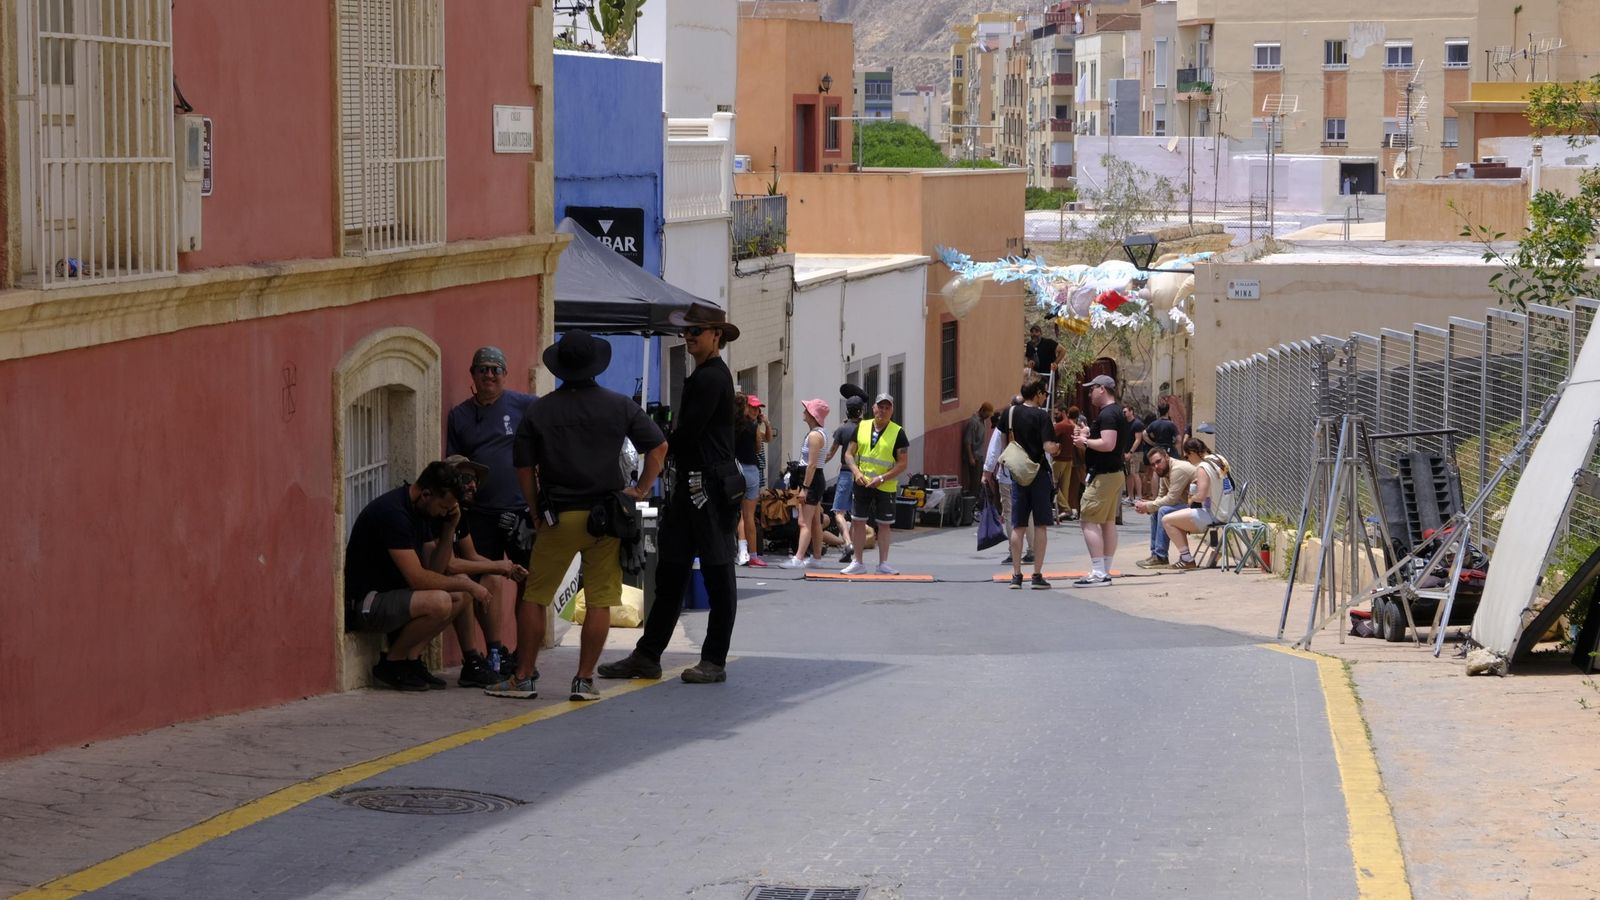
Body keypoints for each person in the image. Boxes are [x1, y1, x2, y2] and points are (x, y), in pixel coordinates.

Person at [486, 330, 667, 701]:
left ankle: (523, 677)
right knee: (600, 600)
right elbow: (659, 446)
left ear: (561, 367)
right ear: (595, 366)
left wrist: (535, 509)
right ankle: (584, 680)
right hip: (607, 516)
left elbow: (524, 467)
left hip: (559, 516)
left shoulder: (541, 409)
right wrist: (640, 490)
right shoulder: (619, 406)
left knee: (536, 595)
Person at [600, 311, 741, 685]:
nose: (688, 336)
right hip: (689, 489)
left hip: (708, 488)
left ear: (715, 335)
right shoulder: (703, 375)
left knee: (717, 573)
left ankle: (713, 660)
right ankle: (648, 656)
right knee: (671, 572)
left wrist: (655, 440)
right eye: (685, 331)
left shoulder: (712, 377)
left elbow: (689, 432)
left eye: (695, 331)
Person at [344, 461, 489, 691]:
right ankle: (392, 664)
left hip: (397, 597)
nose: (444, 513)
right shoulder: (393, 514)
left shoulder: (420, 511)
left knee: (460, 595)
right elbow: (419, 579)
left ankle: (411, 661)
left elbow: (435, 570)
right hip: (368, 604)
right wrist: (469, 584)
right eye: (443, 507)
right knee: (442, 600)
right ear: (426, 493)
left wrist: (449, 528)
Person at [444, 346, 536, 680]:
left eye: (496, 369)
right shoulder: (459, 415)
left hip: (522, 512)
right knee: (488, 579)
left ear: (505, 375)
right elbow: (453, 463)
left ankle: (526, 655)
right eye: (483, 369)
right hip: (480, 513)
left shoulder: (525, 405)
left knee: (529, 582)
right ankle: (494, 653)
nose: (490, 375)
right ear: (472, 374)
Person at [430, 455, 529, 686]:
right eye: (465, 478)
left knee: (491, 578)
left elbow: (471, 554)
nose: (473, 485)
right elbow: (450, 564)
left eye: (475, 480)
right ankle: (472, 659)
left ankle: (495, 655)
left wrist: (508, 569)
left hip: (445, 578)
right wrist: (498, 565)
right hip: (425, 577)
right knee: (464, 581)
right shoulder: (438, 510)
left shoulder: (459, 512)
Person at [1072, 374, 1133, 587]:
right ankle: (1104, 570)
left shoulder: (1108, 414)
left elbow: (1108, 444)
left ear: (1102, 389)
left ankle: (1098, 572)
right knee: (1107, 522)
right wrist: (1088, 435)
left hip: (1104, 475)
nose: (1089, 393)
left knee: (1087, 519)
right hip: (1113, 473)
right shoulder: (1115, 412)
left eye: (1092, 389)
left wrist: (1085, 441)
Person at [1000, 380, 1060, 589]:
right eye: (1044, 393)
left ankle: (1016, 575)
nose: (1045, 396)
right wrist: (1057, 449)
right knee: (1041, 524)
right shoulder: (1042, 416)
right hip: (1038, 472)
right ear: (1037, 394)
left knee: (1018, 524)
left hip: (1018, 473)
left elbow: (1003, 438)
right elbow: (1048, 446)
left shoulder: (1010, 412)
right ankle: (1036, 574)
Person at [842, 393, 910, 576]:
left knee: (884, 524)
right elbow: (849, 454)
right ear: (874, 408)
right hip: (862, 482)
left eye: (887, 407)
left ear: (892, 410)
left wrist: (881, 478)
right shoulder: (862, 426)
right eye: (880, 407)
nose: (883, 411)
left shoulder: (898, 432)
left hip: (884, 485)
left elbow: (902, 463)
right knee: (858, 521)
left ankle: (883, 563)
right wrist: (856, 473)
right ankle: (858, 562)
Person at [1158, 439, 1227, 570]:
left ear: (1193, 452)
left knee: (1167, 520)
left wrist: (1191, 496)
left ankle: (1186, 558)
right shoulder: (1219, 459)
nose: (1187, 459)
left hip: (1215, 515)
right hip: (1227, 511)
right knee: (1178, 517)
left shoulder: (1202, 467)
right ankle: (1211, 551)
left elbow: (1200, 497)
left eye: (1187, 456)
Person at [983, 398, 1034, 565]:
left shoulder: (1005, 424)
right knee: (1029, 513)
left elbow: (993, 451)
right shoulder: (1033, 420)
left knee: (1010, 514)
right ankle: (1032, 550)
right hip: (1029, 475)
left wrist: (987, 473)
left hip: (1008, 475)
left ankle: (1014, 552)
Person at [1132, 446, 1198, 569]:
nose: (1156, 466)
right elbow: (1162, 496)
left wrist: (1148, 506)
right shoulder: (1164, 471)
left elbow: (1171, 499)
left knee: (1163, 510)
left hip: (1198, 507)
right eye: (1153, 464)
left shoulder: (1179, 469)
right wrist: (1148, 507)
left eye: (1158, 461)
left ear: (1166, 457)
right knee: (1156, 512)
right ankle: (1156, 555)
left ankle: (1161, 556)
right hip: (1186, 505)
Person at [783, 399, 830, 568]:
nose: (804, 412)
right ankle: (816, 558)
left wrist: (805, 488)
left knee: (804, 522)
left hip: (811, 479)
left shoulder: (815, 435)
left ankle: (798, 557)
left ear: (812, 415)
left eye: (806, 410)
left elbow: (811, 464)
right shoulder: (817, 434)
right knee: (815, 521)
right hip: (814, 479)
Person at [825, 395, 866, 563]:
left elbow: (831, 453)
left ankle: (848, 543)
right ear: (861, 411)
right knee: (857, 515)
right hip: (862, 474)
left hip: (845, 473)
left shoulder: (842, 429)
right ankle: (855, 551)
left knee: (839, 512)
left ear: (847, 411)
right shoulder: (866, 428)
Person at [734, 394, 769, 568]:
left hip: (735, 471)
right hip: (752, 471)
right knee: (748, 515)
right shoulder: (753, 426)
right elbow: (758, 447)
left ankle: (741, 552)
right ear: (746, 407)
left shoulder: (730, 426)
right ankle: (753, 555)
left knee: (737, 514)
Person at [961, 401, 995, 498]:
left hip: (979, 455)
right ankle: (971, 502)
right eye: (987, 414)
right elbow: (968, 441)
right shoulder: (974, 422)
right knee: (974, 482)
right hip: (974, 456)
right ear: (983, 411)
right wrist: (971, 457)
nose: (988, 417)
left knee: (978, 480)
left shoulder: (982, 421)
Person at [1051, 407, 1078, 520]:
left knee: (1052, 484)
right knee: (1064, 487)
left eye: (1056, 413)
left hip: (1059, 459)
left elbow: (1050, 438)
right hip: (1069, 460)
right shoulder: (1072, 426)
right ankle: (1065, 510)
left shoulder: (1060, 426)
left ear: (1063, 413)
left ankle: (1066, 509)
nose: (1055, 415)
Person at [1122, 405, 1147, 504]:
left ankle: (1139, 496)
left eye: (1125, 412)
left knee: (1135, 473)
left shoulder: (1137, 424)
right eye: (1123, 412)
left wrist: (1131, 452)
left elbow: (1138, 439)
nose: (1124, 414)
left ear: (1131, 411)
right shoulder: (1124, 423)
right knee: (1128, 474)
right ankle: (1130, 496)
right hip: (1126, 452)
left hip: (1135, 452)